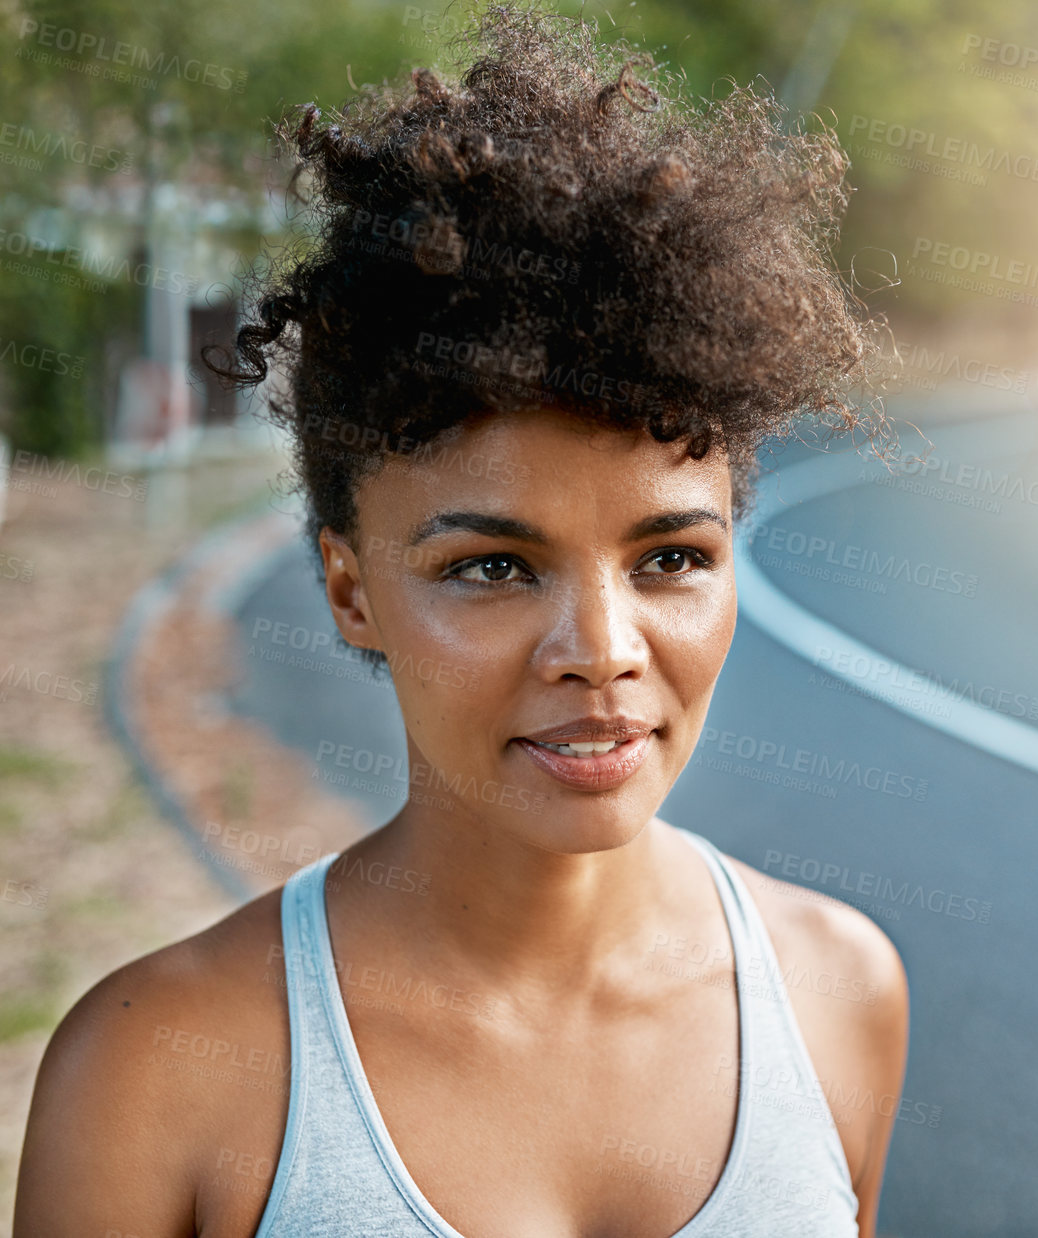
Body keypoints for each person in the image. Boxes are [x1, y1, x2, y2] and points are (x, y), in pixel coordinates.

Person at [14, 5, 910, 1235]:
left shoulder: (840, 989)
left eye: (669, 556)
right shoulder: (156, 1072)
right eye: (492, 567)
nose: (600, 649)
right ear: (351, 589)